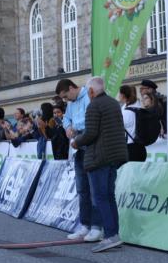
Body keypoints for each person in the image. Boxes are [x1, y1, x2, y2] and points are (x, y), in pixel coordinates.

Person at [71, 77, 128, 253]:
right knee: (110, 197)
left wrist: (76, 142)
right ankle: (114, 234)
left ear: (91, 91)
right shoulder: (113, 103)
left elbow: (91, 134)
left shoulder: (94, 106)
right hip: (114, 156)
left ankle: (110, 235)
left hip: (99, 157)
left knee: (101, 197)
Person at [56, 78, 98, 241]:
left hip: (89, 144)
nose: (66, 100)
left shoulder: (89, 96)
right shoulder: (71, 103)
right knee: (82, 189)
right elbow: (67, 119)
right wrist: (67, 127)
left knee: (94, 189)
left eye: (66, 96)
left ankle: (96, 227)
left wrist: (76, 127)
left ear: (72, 88)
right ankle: (85, 225)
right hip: (77, 147)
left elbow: (92, 120)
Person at [118, 84, 146, 162]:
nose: (118, 95)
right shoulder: (138, 107)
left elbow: (116, 128)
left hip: (130, 149)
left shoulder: (126, 112)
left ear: (123, 95)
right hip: (141, 147)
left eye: (119, 93)